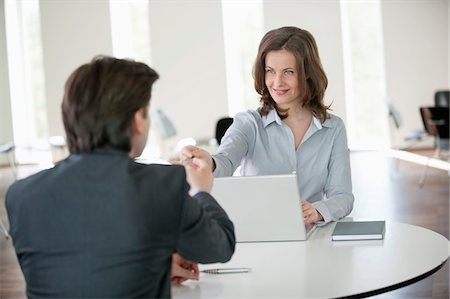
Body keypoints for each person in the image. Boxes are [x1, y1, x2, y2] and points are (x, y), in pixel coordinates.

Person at [6, 56, 235, 298]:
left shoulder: (21, 195)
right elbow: (220, 246)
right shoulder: (162, 184)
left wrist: (150, 264)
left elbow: (67, 271)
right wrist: (199, 190)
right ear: (138, 121)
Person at [182, 26, 354, 225]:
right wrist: (209, 162)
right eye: (270, 71)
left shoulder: (333, 129)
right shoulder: (249, 123)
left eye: (288, 72)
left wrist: (317, 210)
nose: (277, 82)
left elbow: (343, 196)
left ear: (308, 73)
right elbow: (225, 162)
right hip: (259, 231)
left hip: (311, 235)